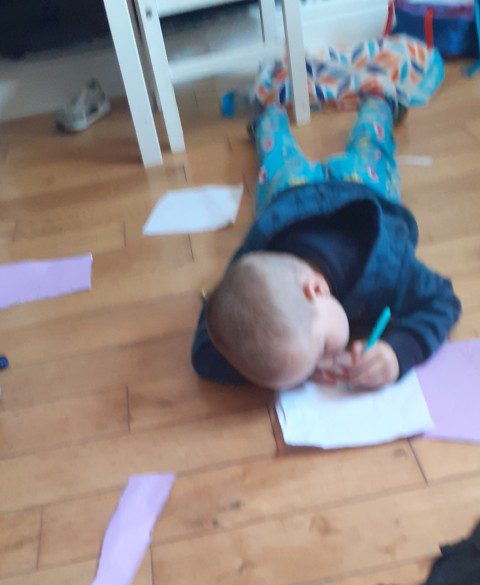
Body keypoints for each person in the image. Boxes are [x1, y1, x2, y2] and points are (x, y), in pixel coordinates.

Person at [192, 98, 461, 390]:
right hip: (290, 193)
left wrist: (398, 352)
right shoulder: (247, 282)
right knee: (275, 155)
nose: (324, 362)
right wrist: (300, 371)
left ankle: (379, 103)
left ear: (317, 289)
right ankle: (269, 116)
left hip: (360, 184)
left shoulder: (388, 265)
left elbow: (443, 299)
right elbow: (205, 354)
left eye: (321, 351)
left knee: (372, 144)